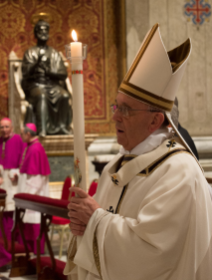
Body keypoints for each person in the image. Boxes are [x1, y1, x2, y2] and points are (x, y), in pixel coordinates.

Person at [64, 24, 212, 280]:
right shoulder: (115, 166)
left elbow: (155, 255)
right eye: (116, 106)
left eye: (126, 110)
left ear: (155, 121)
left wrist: (94, 221)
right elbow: (92, 229)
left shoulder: (179, 172)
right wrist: (82, 227)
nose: (115, 117)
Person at [21, 19, 72, 136]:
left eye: (46, 30)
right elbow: (25, 73)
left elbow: (63, 74)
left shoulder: (54, 53)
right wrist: (37, 63)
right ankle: (42, 129)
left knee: (64, 95)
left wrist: (49, 72)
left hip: (52, 85)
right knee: (42, 96)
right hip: (36, 85)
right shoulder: (30, 52)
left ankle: (62, 127)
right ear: (35, 33)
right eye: (40, 30)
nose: (43, 33)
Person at [18, 123, 51, 254]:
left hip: (34, 195)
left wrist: (28, 196)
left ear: (27, 134)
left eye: (22, 134)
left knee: (35, 222)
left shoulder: (35, 149)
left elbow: (37, 178)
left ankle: (37, 253)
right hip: (30, 194)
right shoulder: (31, 147)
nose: (21, 137)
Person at [0, 118, 25, 269]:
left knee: (9, 214)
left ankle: (9, 250)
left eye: (6, 127)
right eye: (1, 127)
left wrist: (17, 173)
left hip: (13, 180)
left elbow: (23, 159)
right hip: (2, 179)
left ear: (12, 127)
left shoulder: (18, 140)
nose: (3, 130)